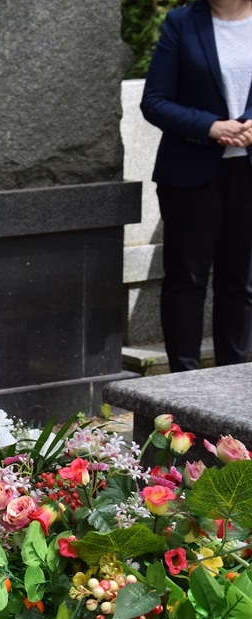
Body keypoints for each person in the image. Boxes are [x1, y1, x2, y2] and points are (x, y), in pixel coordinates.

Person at [140, 0, 252, 372]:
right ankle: (182, 390)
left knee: (241, 284)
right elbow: (154, 101)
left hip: (247, 174)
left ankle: (234, 386)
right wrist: (210, 126)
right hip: (190, 173)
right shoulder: (182, 23)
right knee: (186, 282)